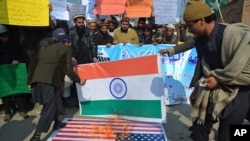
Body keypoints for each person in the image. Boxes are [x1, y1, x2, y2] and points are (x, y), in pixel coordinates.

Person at [180, 1, 250, 141]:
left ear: (201, 21)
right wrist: (196, 90)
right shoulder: (200, 41)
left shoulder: (232, 35)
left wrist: (218, 79)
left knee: (228, 133)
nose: (188, 31)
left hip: (241, 88)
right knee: (198, 127)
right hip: (215, 86)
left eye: (189, 25)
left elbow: (246, 68)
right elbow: (203, 68)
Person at [27, 30, 86, 141]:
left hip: (41, 80)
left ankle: (57, 123)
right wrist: (79, 80)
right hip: (49, 81)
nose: (70, 45)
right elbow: (67, 69)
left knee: (57, 103)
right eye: (70, 43)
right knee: (50, 107)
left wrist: (30, 81)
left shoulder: (46, 49)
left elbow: (33, 64)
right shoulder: (66, 49)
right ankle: (36, 135)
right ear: (67, 42)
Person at [0, 24, 29, 121]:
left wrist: (17, 60)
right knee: (6, 92)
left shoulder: (14, 43)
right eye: (2, 37)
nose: (5, 38)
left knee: (20, 90)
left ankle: (22, 110)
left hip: (16, 69)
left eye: (6, 36)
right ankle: (7, 112)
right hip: (4, 72)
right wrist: (7, 62)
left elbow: (21, 55)